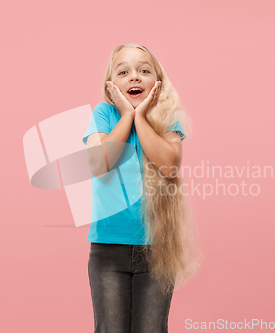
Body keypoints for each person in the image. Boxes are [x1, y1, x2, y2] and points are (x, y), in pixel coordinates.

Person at [82, 43, 203, 333]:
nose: (134, 77)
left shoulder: (166, 119)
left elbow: (169, 166)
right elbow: (100, 164)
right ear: (110, 86)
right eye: (123, 72)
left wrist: (140, 117)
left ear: (157, 84)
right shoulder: (104, 115)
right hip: (108, 249)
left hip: (158, 249)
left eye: (143, 70)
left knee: (152, 328)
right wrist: (125, 115)